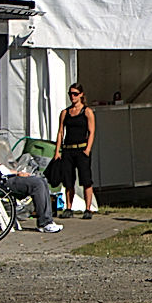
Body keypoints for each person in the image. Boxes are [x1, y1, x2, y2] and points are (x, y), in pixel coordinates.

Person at [0, 127, 63, 233]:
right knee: (37, 184)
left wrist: (17, 173)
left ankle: (48, 220)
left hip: (6, 177)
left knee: (41, 180)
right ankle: (44, 223)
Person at [53, 82, 97, 219]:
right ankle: (69, 207)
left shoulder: (87, 112)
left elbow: (91, 131)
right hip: (68, 150)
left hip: (82, 149)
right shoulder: (65, 112)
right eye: (70, 94)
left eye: (75, 94)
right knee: (68, 180)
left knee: (86, 179)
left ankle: (88, 208)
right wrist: (57, 151)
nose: (73, 96)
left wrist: (88, 149)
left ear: (81, 95)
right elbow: (61, 132)